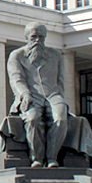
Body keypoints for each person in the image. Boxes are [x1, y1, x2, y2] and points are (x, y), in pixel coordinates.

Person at [6, 22, 69, 168]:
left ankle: (52, 158)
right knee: (33, 118)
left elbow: (61, 80)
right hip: (31, 96)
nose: (38, 41)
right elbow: (16, 79)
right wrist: (25, 94)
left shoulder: (56, 55)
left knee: (60, 118)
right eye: (34, 37)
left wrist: (59, 97)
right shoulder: (17, 56)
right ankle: (37, 158)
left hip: (52, 95)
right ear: (27, 37)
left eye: (41, 37)